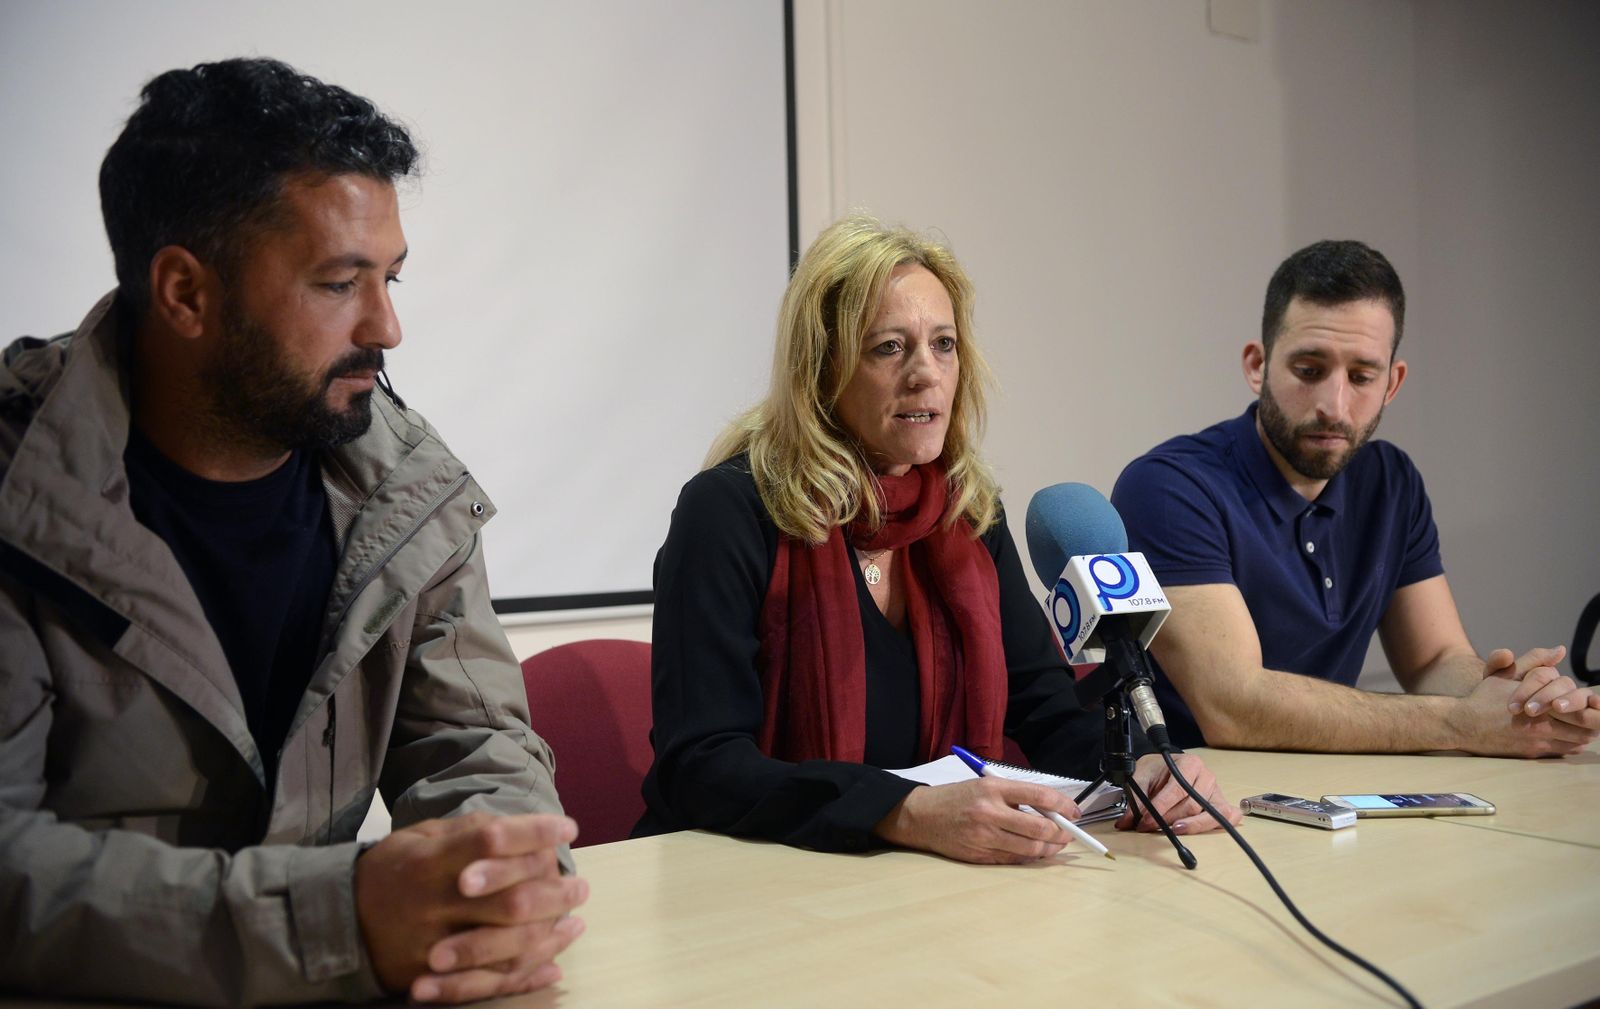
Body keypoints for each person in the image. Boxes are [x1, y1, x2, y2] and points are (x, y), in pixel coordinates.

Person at [0, 58, 586, 1005]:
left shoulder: (408, 489)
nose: (387, 326)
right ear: (186, 293)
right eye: (337, 283)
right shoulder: (17, 494)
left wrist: (496, 881)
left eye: (391, 278)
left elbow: (476, 747)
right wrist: (337, 917)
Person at [637, 215, 1239, 864]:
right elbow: (701, 766)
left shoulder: (968, 513)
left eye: (944, 344)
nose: (926, 372)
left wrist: (1142, 770)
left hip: (914, 886)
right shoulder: (730, 511)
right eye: (889, 347)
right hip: (745, 885)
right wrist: (903, 810)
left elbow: (1049, 710)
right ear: (821, 370)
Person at [1111, 240, 1599, 755]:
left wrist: (1517, 700)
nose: (1333, 404)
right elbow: (1234, 706)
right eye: (1308, 370)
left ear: (1393, 383)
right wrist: (1461, 722)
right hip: (1190, 807)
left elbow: (1434, 659)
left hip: (1334, 794)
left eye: (1362, 377)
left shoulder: (1391, 481)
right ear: (1257, 366)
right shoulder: (1169, 488)